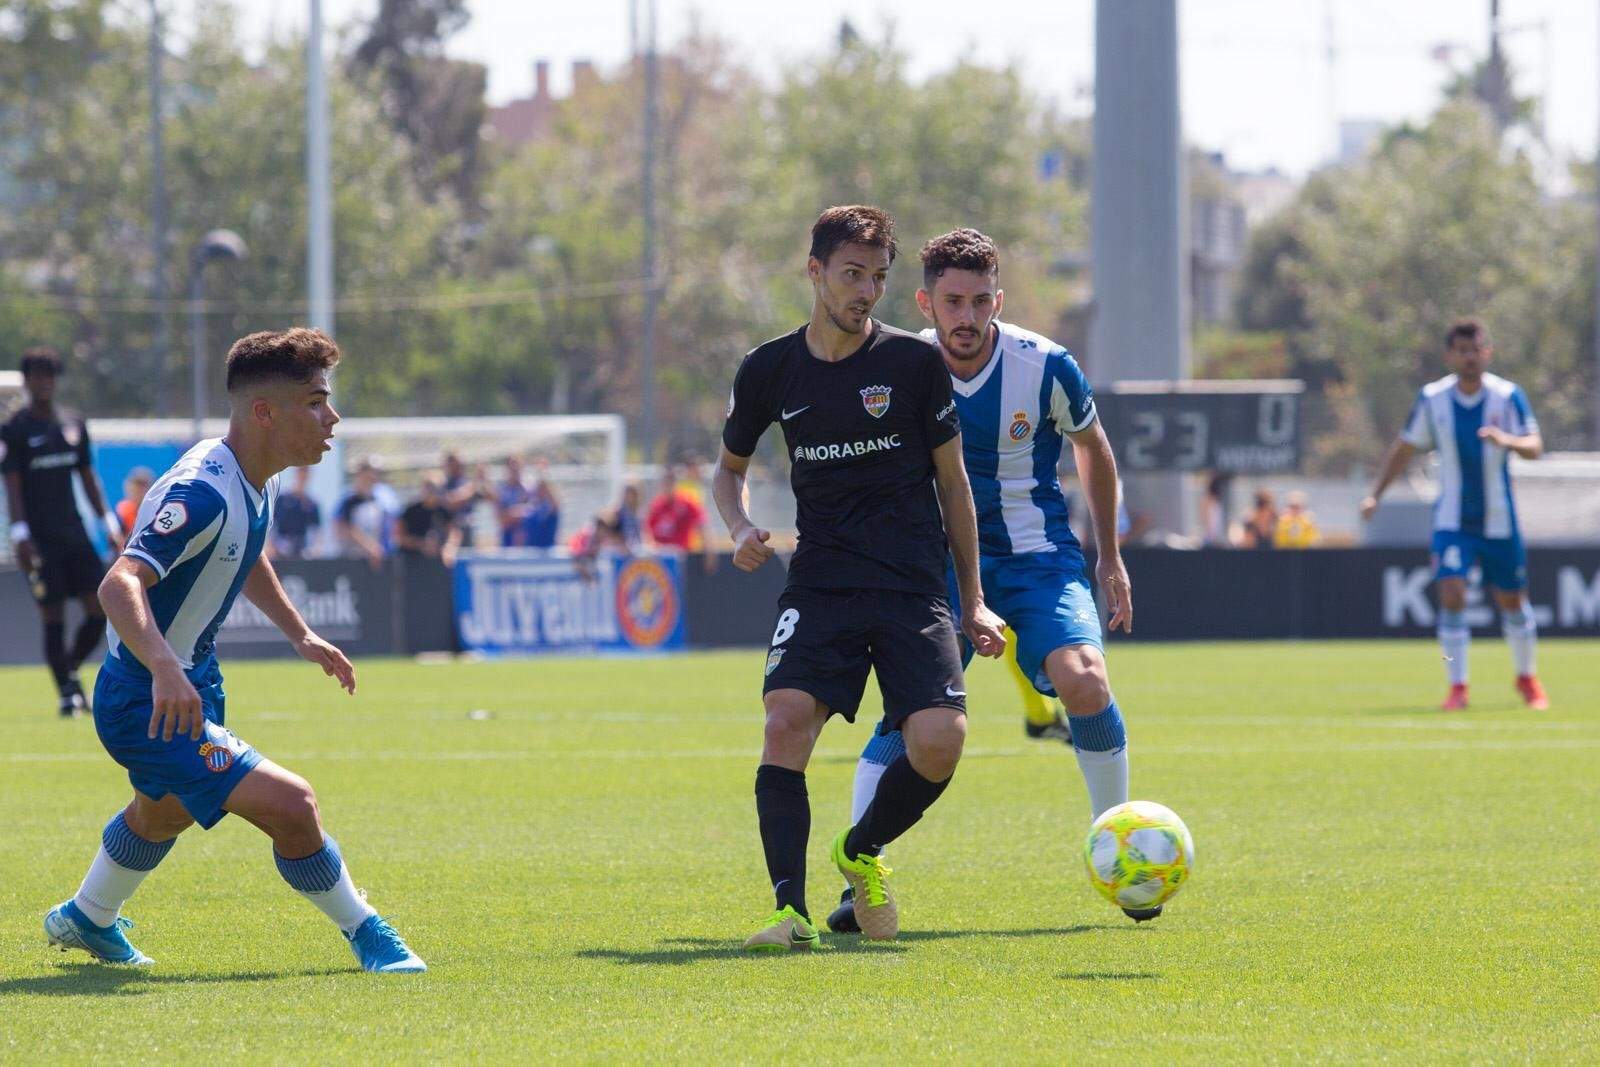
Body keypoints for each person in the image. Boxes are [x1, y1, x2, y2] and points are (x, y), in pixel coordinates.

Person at [43, 327, 424, 972]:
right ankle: (367, 933)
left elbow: (245, 555)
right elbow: (119, 583)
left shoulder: (253, 477)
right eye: (315, 401)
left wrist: (300, 633)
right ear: (263, 412)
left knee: (161, 815)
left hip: (186, 683)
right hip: (148, 698)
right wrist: (164, 666)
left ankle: (87, 917)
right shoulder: (200, 493)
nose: (331, 417)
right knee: (293, 806)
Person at [829, 228, 1145, 934]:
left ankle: (1116, 853)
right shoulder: (896, 367)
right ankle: (861, 875)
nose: (966, 317)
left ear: (998, 299)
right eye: (952, 302)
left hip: (1039, 557)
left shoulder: (1047, 365)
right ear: (925, 302)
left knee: (1086, 677)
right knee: (915, 721)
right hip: (934, 569)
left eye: (979, 301)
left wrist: (1109, 554)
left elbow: (1094, 447)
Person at [714, 205, 1005, 951]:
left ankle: (861, 848)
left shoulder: (913, 364)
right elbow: (729, 472)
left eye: (877, 277)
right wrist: (741, 526)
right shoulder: (770, 369)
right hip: (822, 585)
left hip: (911, 587)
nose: (865, 291)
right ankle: (790, 910)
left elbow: (955, 485)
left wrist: (972, 599)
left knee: (941, 741)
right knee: (784, 722)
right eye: (851, 274)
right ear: (815, 273)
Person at [1361, 317, 1547, 711]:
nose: (1469, 358)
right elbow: (1405, 447)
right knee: (1451, 592)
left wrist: (1507, 440)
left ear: (1487, 352)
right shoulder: (1433, 399)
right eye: (1462, 351)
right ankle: (1457, 685)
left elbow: (1535, 447)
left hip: (1499, 518)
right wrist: (1375, 494)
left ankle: (1527, 677)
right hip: (1452, 521)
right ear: (1450, 356)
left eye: (1475, 350)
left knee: (1512, 601)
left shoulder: (1507, 395)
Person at [2, 346, 123, 717]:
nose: (44, 383)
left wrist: (109, 523)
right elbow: (13, 484)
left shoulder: (72, 424)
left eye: (49, 376)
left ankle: (68, 672)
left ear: (56, 380)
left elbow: (88, 478)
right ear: (26, 381)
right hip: (39, 540)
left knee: (98, 610)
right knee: (52, 616)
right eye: (37, 376)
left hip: (75, 534)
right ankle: (67, 694)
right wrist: (20, 535)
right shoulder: (15, 428)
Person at [395, 475, 462, 565]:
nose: (431, 491)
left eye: (435, 488)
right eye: (428, 487)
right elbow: (399, 537)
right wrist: (421, 544)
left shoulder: (443, 509)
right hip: (412, 561)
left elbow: (454, 532)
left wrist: (449, 548)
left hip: (438, 561)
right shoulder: (411, 510)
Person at [334, 461, 388, 566]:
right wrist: (369, 547)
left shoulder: (377, 502)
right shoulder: (348, 501)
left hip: (372, 562)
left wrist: (377, 549)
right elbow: (343, 528)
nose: (372, 479)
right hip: (350, 560)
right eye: (368, 476)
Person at [646, 464, 708, 552]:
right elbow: (648, 530)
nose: (667, 486)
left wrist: (708, 548)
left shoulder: (687, 503)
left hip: (682, 553)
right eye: (665, 483)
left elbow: (702, 524)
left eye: (670, 483)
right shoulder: (656, 506)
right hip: (661, 556)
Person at [270, 466, 321, 559]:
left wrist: (315, 550)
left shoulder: (311, 503)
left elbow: (317, 530)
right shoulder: (282, 499)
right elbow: (270, 524)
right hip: (280, 547)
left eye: (305, 473)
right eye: (301, 472)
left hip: (301, 548)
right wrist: (270, 546)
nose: (303, 476)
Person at [116, 468, 155, 537]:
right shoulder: (122, 510)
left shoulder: (157, 511)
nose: (138, 491)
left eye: (143, 486)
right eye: (136, 486)